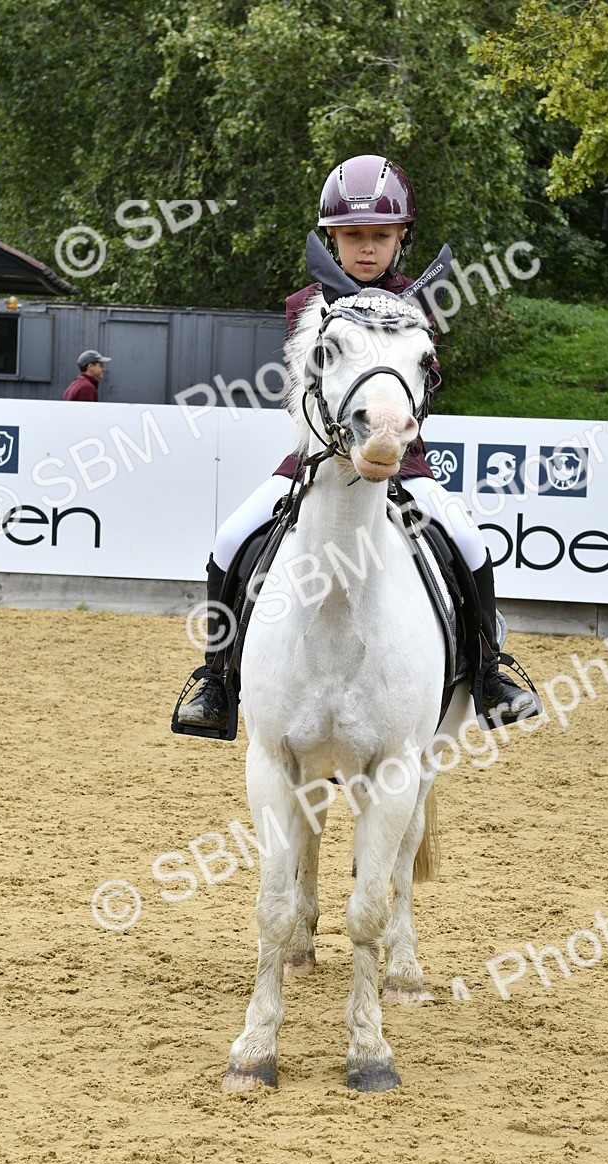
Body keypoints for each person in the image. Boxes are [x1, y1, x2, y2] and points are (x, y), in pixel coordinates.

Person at [178, 154, 538, 734]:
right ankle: (217, 679)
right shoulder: (304, 305)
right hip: (315, 458)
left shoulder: (418, 304)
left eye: (379, 235)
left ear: (401, 238)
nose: (365, 248)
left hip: (402, 460)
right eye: (351, 236)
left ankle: (492, 672)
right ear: (332, 239)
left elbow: (421, 384)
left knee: (469, 541)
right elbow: (306, 385)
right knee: (228, 540)